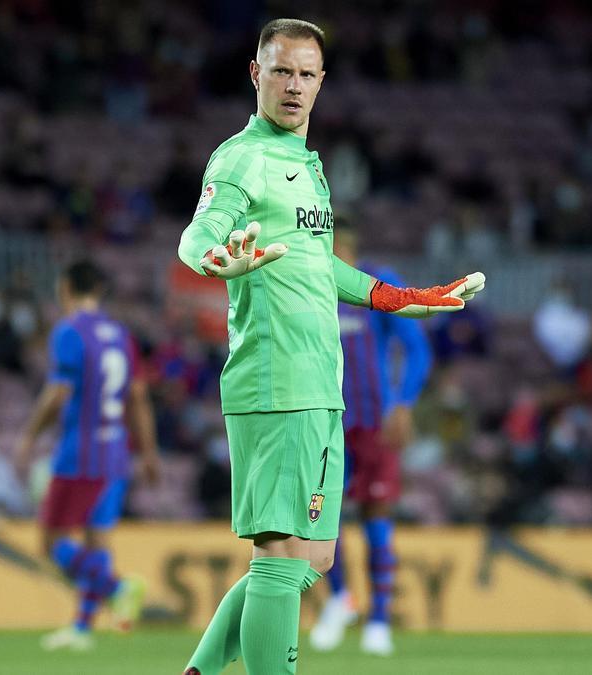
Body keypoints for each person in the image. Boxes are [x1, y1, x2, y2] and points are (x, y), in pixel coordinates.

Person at [176, 19, 484, 675]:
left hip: (320, 384)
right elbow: (197, 234)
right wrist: (214, 260)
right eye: (281, 71)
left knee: (312, 559)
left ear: (321, 82)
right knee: (280, 555)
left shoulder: (307, 167)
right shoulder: (242, 157)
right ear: (256, 75)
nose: (293, 85)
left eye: (306, 73)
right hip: (275, 379)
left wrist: (402, 296)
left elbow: (322, 267)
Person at [14, 260, 161, 652]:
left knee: (50, 543)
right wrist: (148, 452)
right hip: (116, 452)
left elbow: (59, 392)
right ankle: (81, 629)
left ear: (65, 288)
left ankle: (117, 588)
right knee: (97, 544)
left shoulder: (69, 331)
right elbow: (138, 398)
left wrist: (29, 435)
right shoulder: (121, 335)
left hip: (80, 452)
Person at [308, 217, 433, 656]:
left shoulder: (377, 284)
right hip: (328, 427)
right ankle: (341, 601)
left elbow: (416, 347)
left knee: (377, 521)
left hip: (375, 425)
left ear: (345, 247)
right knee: (322, 522)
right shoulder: (308, 284)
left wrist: (403, 402)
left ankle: (379, 619)